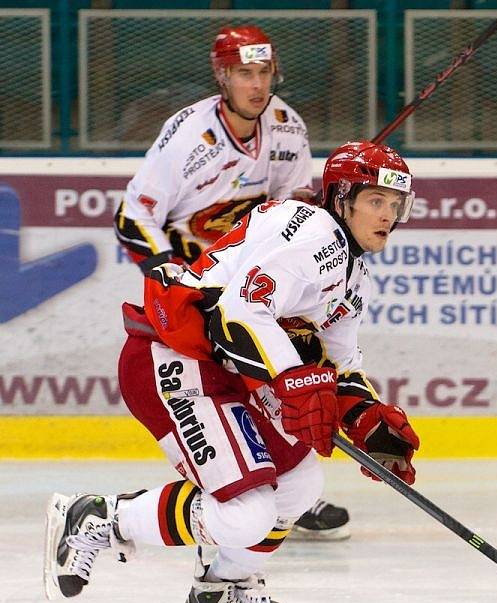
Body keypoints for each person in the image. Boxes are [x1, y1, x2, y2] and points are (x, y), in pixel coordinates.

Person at [44, 141, 421, 603]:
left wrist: (368, 419)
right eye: (376, 201)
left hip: (227, 370)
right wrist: (296, 381)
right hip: (176, 360)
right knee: (245, 515)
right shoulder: (313, 234)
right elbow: (238, 312)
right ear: (343, 198)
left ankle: (222, 587)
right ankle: (100, 517)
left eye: (396, 205)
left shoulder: (353, 270)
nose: (388, 216)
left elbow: (337, 361)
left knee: (300, 486)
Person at [114, 24, 348, 540]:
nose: (257, 85)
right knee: (219, 391)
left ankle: (289, 486)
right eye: (245, 73)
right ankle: (227, 499)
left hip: (247, 282)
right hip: (195, 291)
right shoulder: (188, 136)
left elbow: (293, 213)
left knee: (284, 373)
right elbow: (134, 216)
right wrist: (170, 275)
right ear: (223, 76)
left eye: (264, 72)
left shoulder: (288, 128)